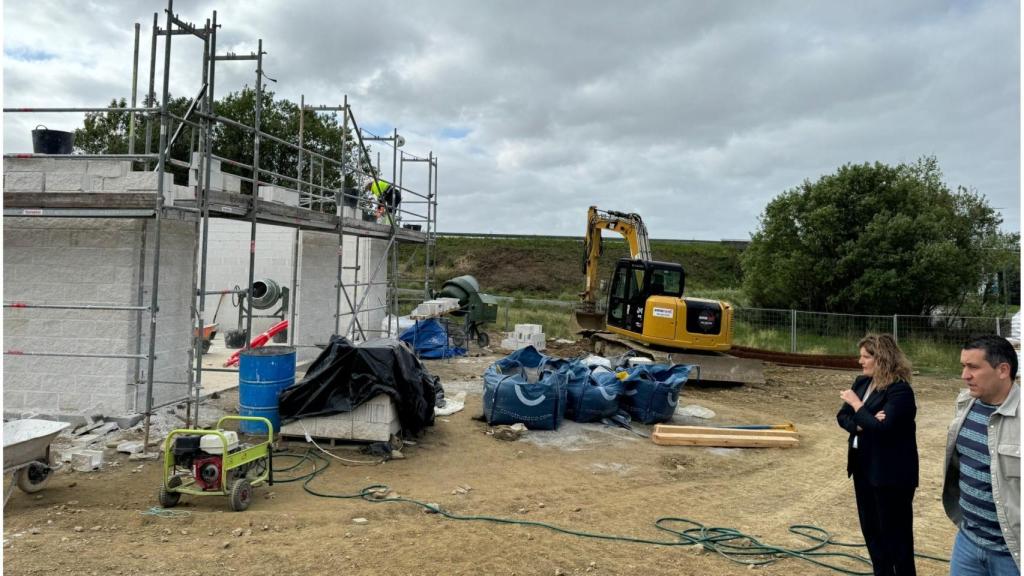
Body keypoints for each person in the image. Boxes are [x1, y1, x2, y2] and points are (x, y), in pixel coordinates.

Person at [837, 333, 918, 576]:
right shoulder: (861, 383)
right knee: (871, 532)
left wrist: (857, 406)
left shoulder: (900, 392)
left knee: (896, 537)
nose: (860, 361)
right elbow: (842, 417)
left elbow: (883, 429)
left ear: (881, 359)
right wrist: (863, 422)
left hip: (890, 475)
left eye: (865, 356)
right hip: (863, 468)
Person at [943, 334, 1020, 575]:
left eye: (973, 367)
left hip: (1012, 554)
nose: (965, 375)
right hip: (968, 542)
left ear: (1002, 370)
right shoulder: (966, 403)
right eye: (963, 366)